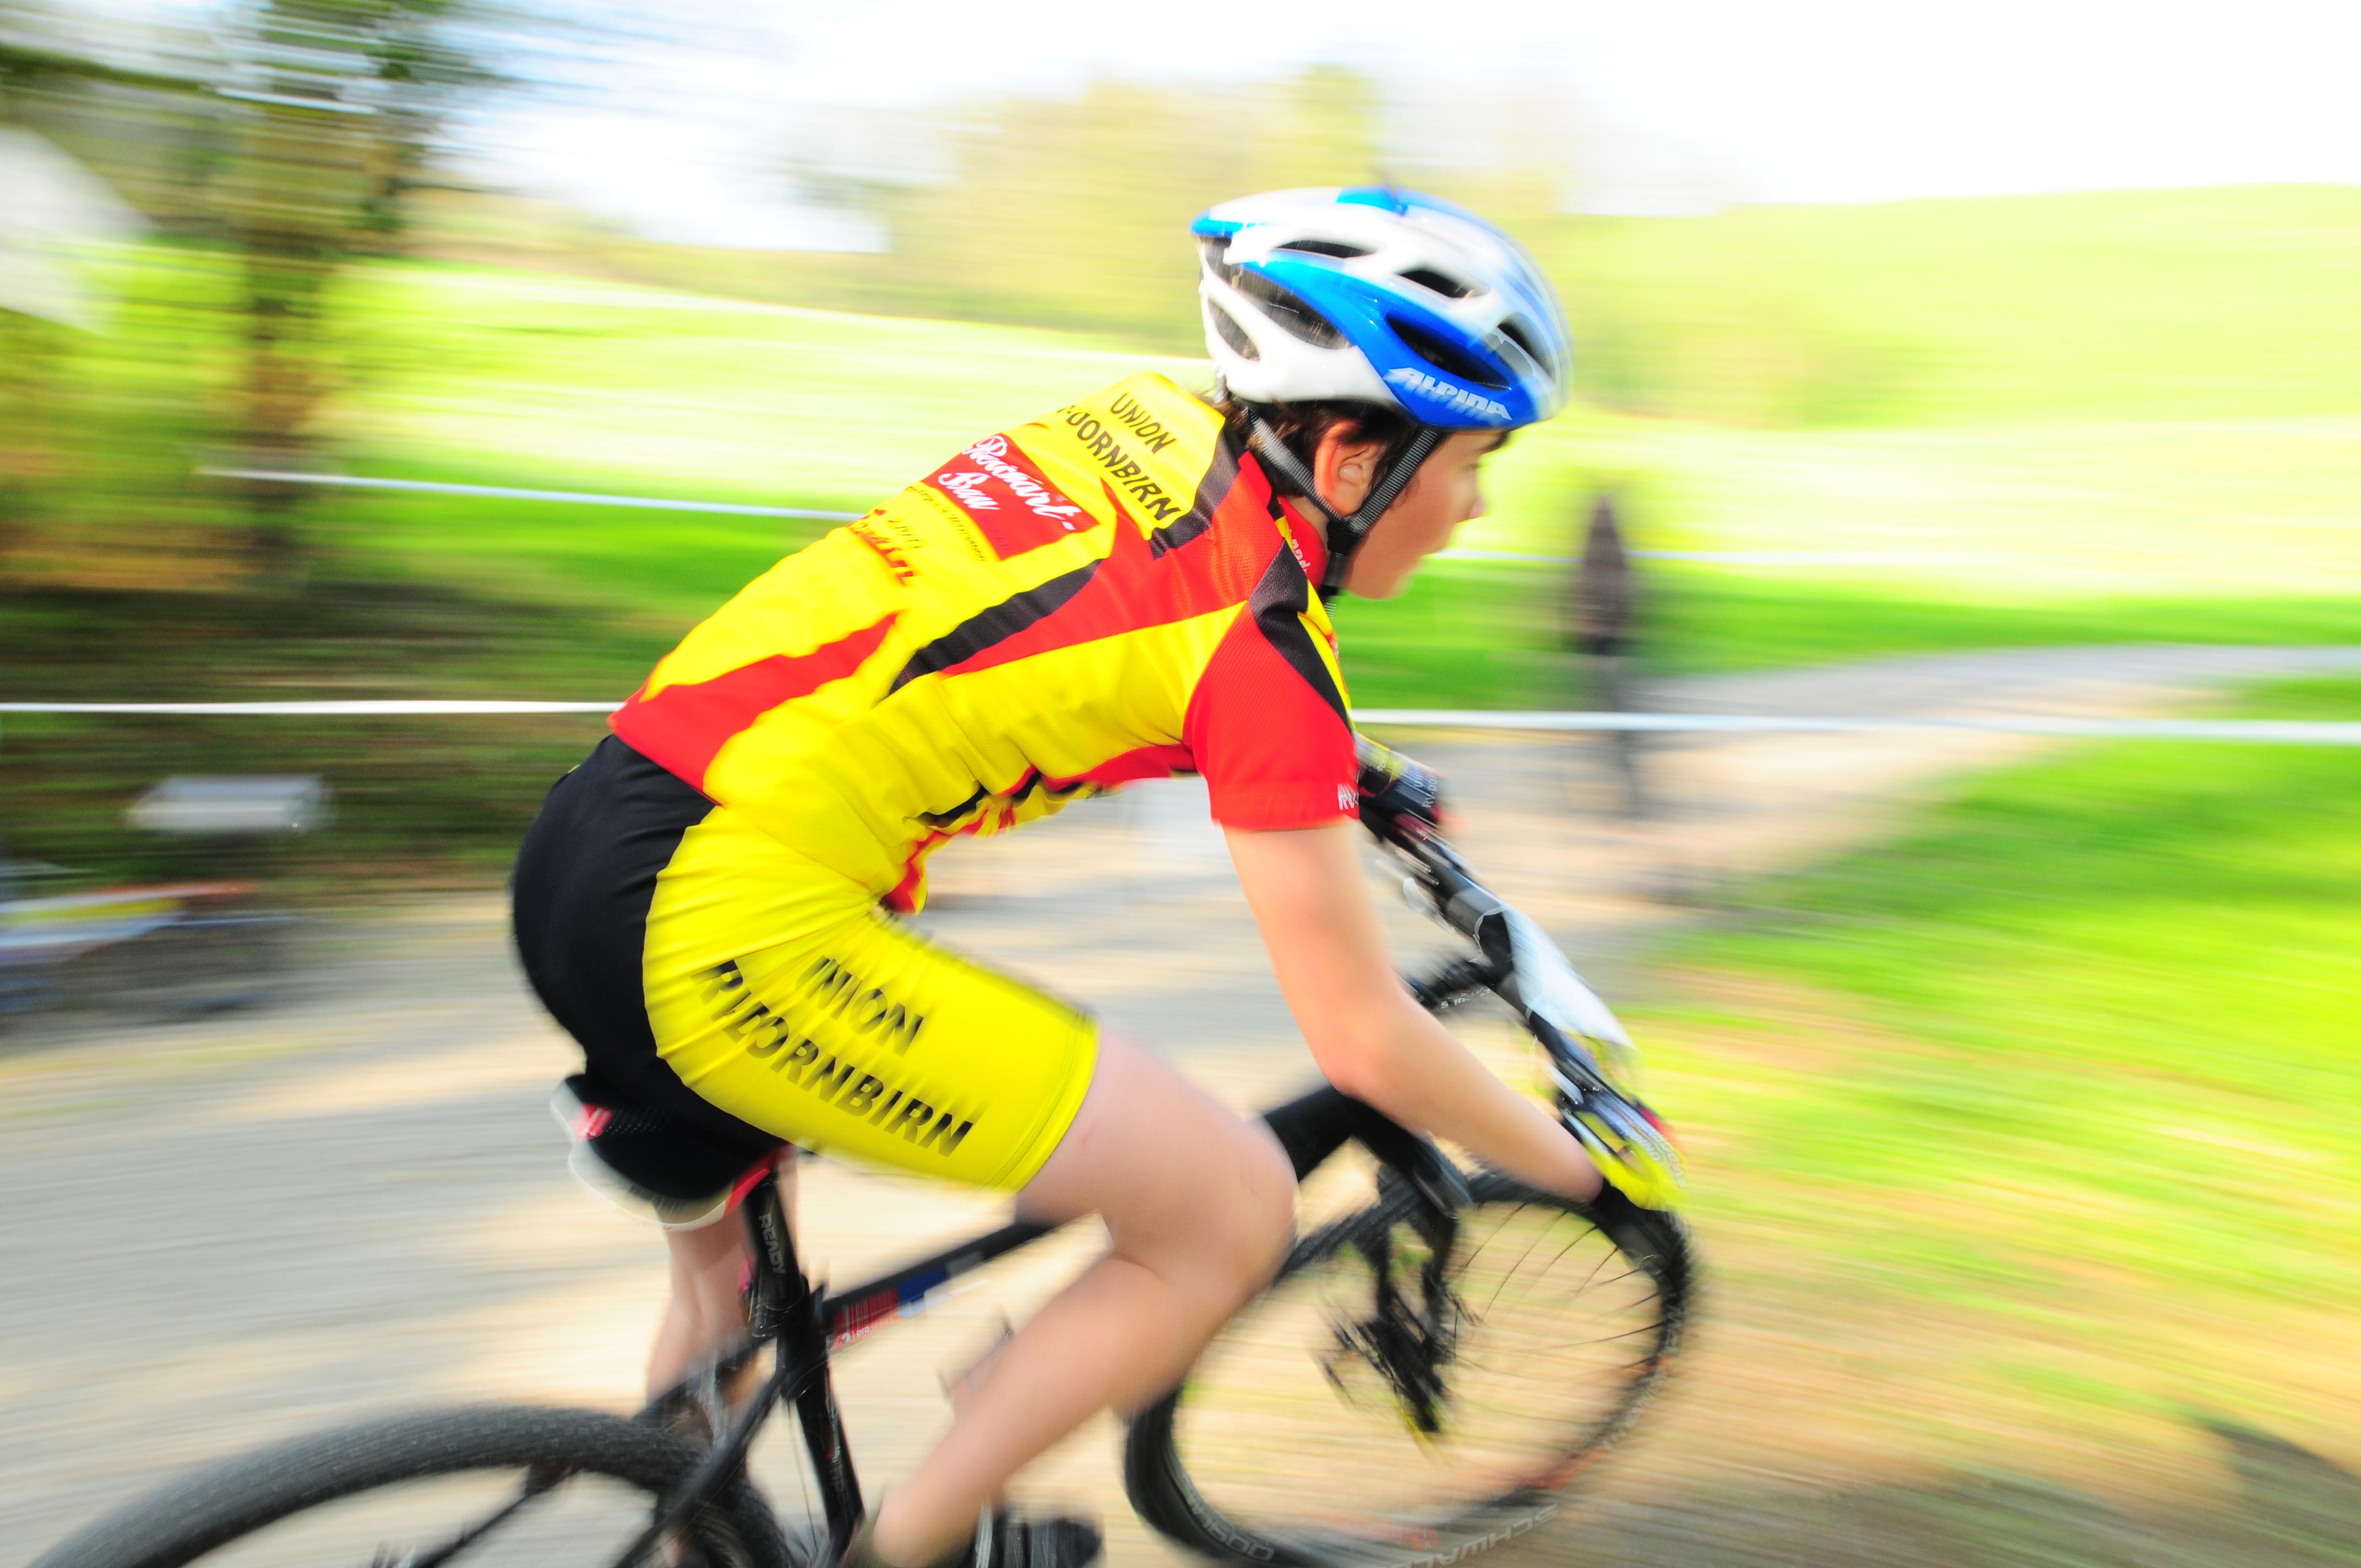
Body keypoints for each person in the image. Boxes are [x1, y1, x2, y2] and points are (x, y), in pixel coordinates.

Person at [511, 186, 1603, 1568]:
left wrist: (1348, 764)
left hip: (595, 837)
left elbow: (1082, 632)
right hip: (725, 930)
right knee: (1226, 1206)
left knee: (726, 1301)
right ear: (1347, 459)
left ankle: (690, 1534)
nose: (1473, 507)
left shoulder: (1131, 423)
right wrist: (1583, 1171)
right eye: (1471, 463)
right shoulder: (1261, 652)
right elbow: (1365, 1039)